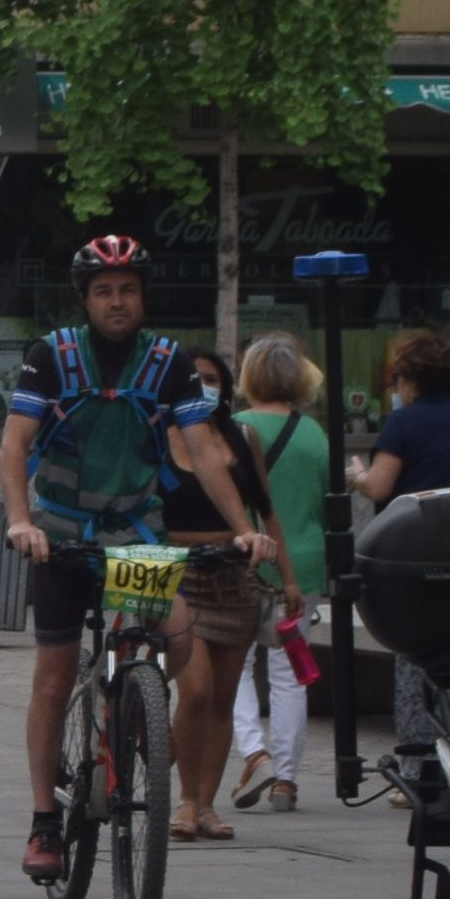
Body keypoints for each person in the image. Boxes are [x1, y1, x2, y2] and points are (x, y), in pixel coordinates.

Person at [0, 230, 273, 882]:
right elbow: (13, 448)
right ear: (85, 299)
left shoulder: (171, 363)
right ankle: (43, 821)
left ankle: (138, 731)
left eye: (127, 290)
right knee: (55, 677)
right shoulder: (50, 357)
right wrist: (18, 522)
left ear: (142, 296)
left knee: (183, 650)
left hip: (136, 538)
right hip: (62, 534)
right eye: (103, 291)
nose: (116, 301)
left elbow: (204, 452)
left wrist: (243, 529)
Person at [358, 325, 450, 749]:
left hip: (415, 556)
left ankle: (419, 759)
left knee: (414, 660)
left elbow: (380, 487)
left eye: (397, 380)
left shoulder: (403, 422)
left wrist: (356, 478)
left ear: (411, 379)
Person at [158, 348, 277, 843]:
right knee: (197, 690)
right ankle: (185, 799)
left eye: (212, 379)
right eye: (194, 379)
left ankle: (206, 804)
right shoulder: (157, 439)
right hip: (180, 573)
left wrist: (287, 579)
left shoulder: (242, 437)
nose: (203, 387)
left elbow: (266, 512)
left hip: (234, 572)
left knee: (223, 701)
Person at [225, 335, 335, 810]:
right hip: (304, 560)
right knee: (290, 670)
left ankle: (255, 752)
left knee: (236, 664)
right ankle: (287, 779)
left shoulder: (236, 427)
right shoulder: (313, 434)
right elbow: (325, 502)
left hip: (246, 557)